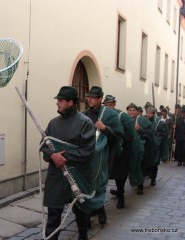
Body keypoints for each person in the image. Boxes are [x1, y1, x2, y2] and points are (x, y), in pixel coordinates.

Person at [40, 86, 95, 240]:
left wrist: (63, 156)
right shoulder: (53, 123)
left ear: (71, 102)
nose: (57, 103)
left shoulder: (85, 123)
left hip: (78, 174)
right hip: (56, 176)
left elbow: (87, 151)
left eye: (61, 100)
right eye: (57, 100)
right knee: (53, 216)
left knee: (81, 212)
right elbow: (44, 146)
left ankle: (83, 235)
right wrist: (52, 155)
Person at [83, 86, 123, 224]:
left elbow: (118, 136)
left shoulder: (109, 115)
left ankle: (100, 208)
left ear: (100, 99)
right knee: (87, 184)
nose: (89, 99)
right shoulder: (84, 114)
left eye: (93, 97)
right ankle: (87, 215)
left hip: (104, 156)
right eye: (88, 97)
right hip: (87, 157)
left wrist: (104, 128)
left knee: (99, 183)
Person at [102, 95, 135, 209]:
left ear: (114, 104)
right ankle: (98, 205)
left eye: (110, 105)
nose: (107, 107)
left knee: (120, 176)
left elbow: (131, 135)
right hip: (105, 150)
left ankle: (121, 197)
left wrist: (119, 138)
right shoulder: (101, 116)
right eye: (105, 105)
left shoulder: (122, 116)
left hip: (120, 152)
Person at [145, 106, 168, 186]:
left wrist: (157, 139)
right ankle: (148, 175)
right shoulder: (143, 120)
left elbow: (164, 133)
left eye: (150, 113)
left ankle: (153, 179)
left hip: (155, 146)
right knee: (147, 162)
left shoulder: (159, 122)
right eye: (147, 113)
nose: (148, 115)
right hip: (147, 145)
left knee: (154, 163)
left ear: (153, 114)